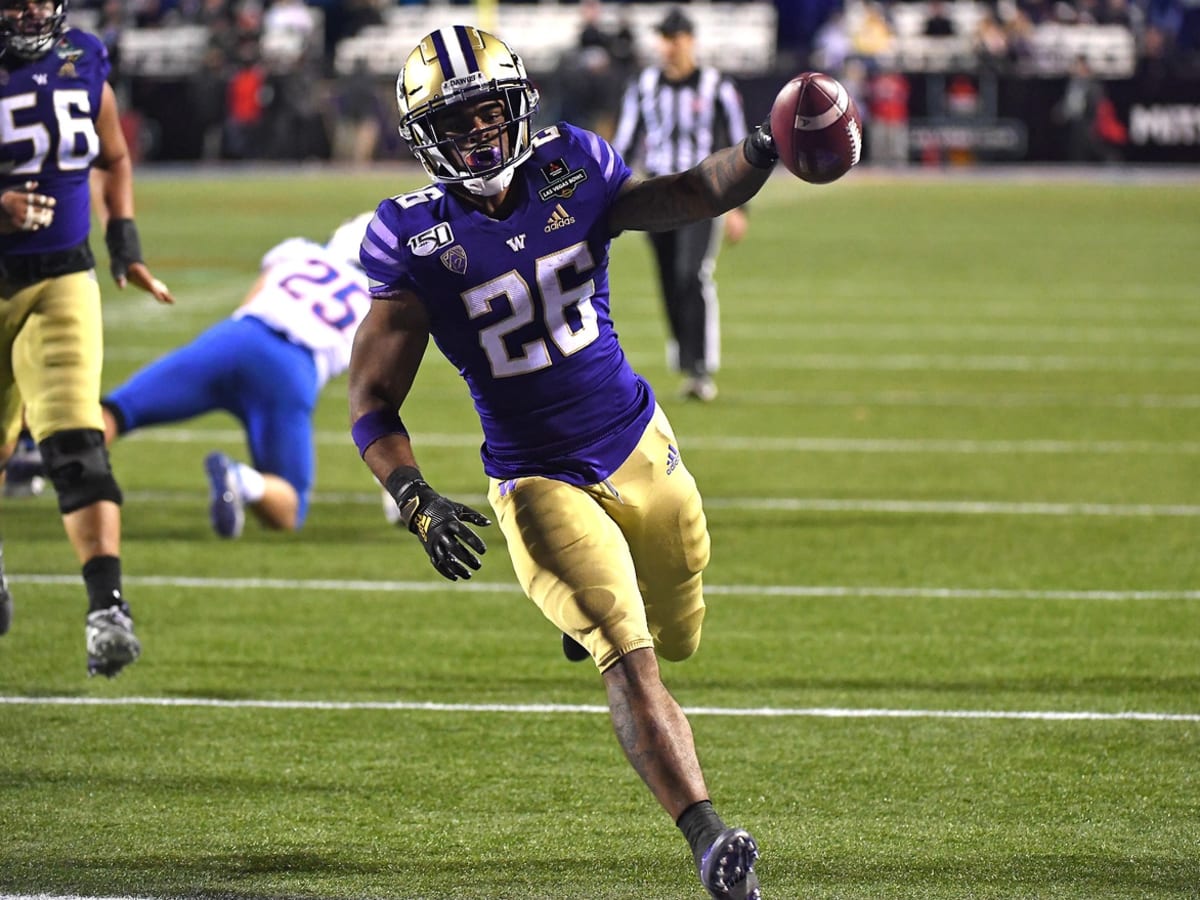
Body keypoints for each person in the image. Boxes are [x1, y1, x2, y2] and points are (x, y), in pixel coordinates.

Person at [348, 26, 779, 900]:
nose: (478, 134)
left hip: (638, 443)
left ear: (518, 107)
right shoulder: (411, 237)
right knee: (628, 652)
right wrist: (415, 496)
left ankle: (593, 614)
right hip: (535, 475)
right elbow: (372, 402)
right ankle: (707, 837)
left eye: (488, 112)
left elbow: (691, 191)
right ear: (425, 135)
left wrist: (769, 149)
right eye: (456, 121)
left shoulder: (573, 166)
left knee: (680, 629)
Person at [0, 0, 174, 676]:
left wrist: (123, 240)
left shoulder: (83, 54)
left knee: (76, 441)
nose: (31, 11)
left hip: (63, 274)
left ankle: (108, 609)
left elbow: (115, 154)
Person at [98, 213, 374, 539]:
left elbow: (250, 303)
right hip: (292, 371)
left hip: (236, 338)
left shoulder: (299, 252)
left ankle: (55, 466)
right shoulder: (383, 301)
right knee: (288, 508)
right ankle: (243, 480)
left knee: (117, 410)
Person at [610, 7, 750, 402]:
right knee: (670, 279)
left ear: (690, 39)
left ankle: (701, 366)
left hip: (702, 193)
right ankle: (685, 359)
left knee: (693, 274)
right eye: (664, 37)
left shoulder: (716, 85)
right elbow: (624, 141)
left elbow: (738, 144)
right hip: (657, 194)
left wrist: (740, 205)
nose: (668, 46)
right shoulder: (644, 85)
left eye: (675, 37)